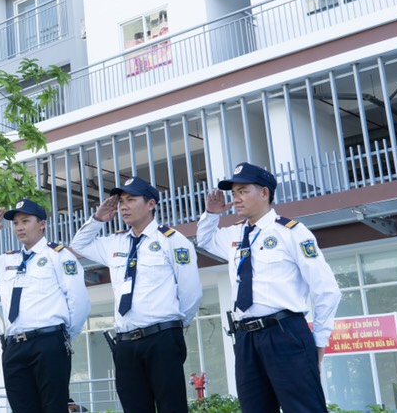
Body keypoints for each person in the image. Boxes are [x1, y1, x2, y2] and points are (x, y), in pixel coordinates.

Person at [197, 162, 341, 413]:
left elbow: (326, 289)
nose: (236, 198)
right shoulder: (235, 234)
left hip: (284, 333)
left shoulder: (291, 232)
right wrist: (211, 214)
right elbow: (205, 239)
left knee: (304, 408)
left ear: (264, 193)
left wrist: (319, 341)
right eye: (234, 193)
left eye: (243, 191)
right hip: (245, 337)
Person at [68, 177, 202, 413]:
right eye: (121, 201)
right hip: (126, 343)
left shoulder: (171, 240)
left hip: (162, 338)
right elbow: (78, 244)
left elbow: (191, 292)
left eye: (131, 200)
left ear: (151, 204)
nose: (124, 206)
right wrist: (98, 219)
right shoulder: (115, 242)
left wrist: (173, 327)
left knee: (171, 407)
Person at [0, 199, 89, 413]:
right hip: (14, 346)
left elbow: (79, 301)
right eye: (15, 223)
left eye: (25, 221)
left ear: (42, 224)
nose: (19, 227)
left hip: (48, 342)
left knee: (53, 407)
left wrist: (64, 337)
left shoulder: (58, 255)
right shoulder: (7, 261)